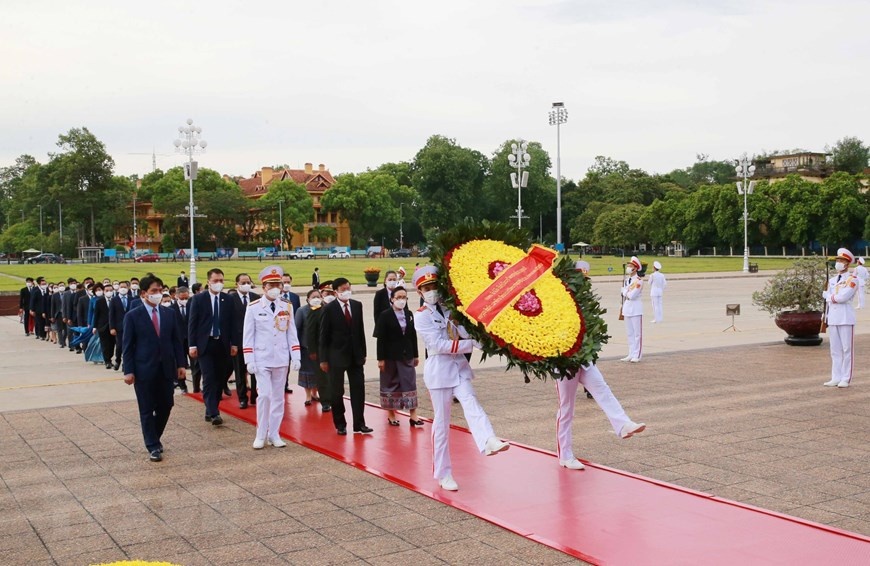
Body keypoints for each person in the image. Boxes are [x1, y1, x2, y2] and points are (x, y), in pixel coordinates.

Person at [413, 266, 509, 491]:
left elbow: (465, 330)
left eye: (434, 286)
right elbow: (437, 345)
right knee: (442, 423)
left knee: (471, 401)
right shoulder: (421, 316)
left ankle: (488, 439)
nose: (432, 291)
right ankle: (443, 473)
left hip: (459, 368)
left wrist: (480, 337)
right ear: (419, 292)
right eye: (426, 288)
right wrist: (471, 344)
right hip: (439, 371)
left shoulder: (449, 309)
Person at [554, 262, 645, 470]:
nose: (584, 283)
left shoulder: (584, 303)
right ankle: (565, 454)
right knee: (566, 409)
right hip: (564, 363)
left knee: (602, 388)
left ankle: (622, 424)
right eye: (580, 279)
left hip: (583, 359)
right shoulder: (557, 302)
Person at [123, 273, 188, 462]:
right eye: (154, 291)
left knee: (166, 405)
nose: (158, 294)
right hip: (144, 369)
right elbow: (127, 346)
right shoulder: (133, 316)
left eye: (160, 290)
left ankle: (155, 437)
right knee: (146, 408)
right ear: (144, 293)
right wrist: (129, 371)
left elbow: (177, 341)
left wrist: (181, 364)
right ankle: (152, 445)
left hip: (166, 368)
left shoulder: (169, 313)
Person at [243, 265, 301, 449]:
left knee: (278, 398)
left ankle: (274, 433)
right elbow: (248, 336)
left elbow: (292, 333)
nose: (276, 287)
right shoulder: (253, 308)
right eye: (272, 284)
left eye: (278, 284)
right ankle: (261, 433)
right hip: (261, 358)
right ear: (264, 287)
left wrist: (296, 356)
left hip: (281, 357)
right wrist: (249, 360)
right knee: (265, 395)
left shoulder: (287, 306)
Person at [319, 277, 370, 435]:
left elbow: (360, 330)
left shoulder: (356, 305)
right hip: (336, 357)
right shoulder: (329, 309)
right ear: (336, 292)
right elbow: (323, 336)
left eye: (348, 288)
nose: (347, 291)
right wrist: (323, 359)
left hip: (355, 356)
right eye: (343, 289)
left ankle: (359, 424)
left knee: (358, 390)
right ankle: (340, 424)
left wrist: (363, 353)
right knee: (337, 392)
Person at [188, 268, 238, 426]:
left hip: (222, 344)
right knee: (209, 378)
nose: (219, 283)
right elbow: (193, 324)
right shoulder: (199, 299)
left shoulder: (228, 300)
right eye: (216, 281)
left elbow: (233, 324)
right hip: (205, 344)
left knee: (220, 379)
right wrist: (192, 345)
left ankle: (211, 408)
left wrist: (234, 343)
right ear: (208, 281)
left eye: (221, 281)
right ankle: (214, 412)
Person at [375, 286, 421, 427]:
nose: (401, 300)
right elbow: (380, 339)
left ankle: (413, 415)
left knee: (409, 382)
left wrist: (415, 354)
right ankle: (391, 414)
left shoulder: (409, 314)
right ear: (392, 299)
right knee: (390, 384)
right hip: (390, 355)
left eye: (404, 297)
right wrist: (380, 359)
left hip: (406, 354)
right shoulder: (385, 315)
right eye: (398, 297)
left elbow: (412, 335)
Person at [823, 248, 859, 388]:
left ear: (847, 263)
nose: (838, 263)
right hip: (833, 317)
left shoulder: (852, 280)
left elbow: (843, 297)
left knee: (847, 349)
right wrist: (825, 315)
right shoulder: (832, 280)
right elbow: (830, 301)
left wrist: (828, 297)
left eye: (841, 261)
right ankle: (835, 377)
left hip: (845, 318)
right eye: (837, 260)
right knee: (835, 350)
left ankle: (846, 377)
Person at [229, 273, 259, 409]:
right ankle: (242, 398)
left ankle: (254, 394)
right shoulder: (230, 299)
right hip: (238, 341)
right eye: (243, 282)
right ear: (237, 284)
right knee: (240, 371)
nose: (246, 284)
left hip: (255, 341)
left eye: (248, 281)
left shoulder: (256, 297)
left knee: (255, 370)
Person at [305, 281, 335, 413]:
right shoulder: (316, 311)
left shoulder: (336, 308)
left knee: (334, 375)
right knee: (322, 376)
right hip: (320, 349)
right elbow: (310, 332)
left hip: (335, 349)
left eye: (331, 293)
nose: (329, 295)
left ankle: (335, 398)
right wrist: (311, 350)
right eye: (327, 293)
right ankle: (325, 401)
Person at [296, 289, 323, 406]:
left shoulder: (324, 309)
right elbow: (297, 328)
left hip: (321, 347)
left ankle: (315, 393)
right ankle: (308, 396)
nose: (316, 299)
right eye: (313, 297)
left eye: (318, 296)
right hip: (306, 347)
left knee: (318, 372)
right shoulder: (302, 311)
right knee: (307, 372)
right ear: (308, 299)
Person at [169, 287, 193, 393]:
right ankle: (182, 385)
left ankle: (196, 386)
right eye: (182, 298)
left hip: (191, 339)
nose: (184, 300)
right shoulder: (171, 309)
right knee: (180, 363)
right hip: (178, 340)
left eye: (186, 298)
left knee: (195, 363)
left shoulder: (192, 306)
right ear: (176, 296)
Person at [621, 256, 644, 363]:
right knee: (629, 333)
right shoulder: (627, 280)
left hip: (635, 308)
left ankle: (637, 354)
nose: (628, 267)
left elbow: (632, 295)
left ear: (635, 268)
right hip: (627, 308)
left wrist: (624, 292)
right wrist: (625, 292)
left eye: (630, 266)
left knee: (637, 334)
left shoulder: (639, 281)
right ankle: (630, 353)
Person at [108, 281, 132, 370]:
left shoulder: (131, 299)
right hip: (119, 327)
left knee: (128, 346)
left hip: (129, 326)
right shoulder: (114, 300)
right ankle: (118, 360)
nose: (123, 289)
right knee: (119, 346)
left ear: (128, 288)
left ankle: (125, 364)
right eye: (121, 287)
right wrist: (112, 327)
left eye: (125, 287)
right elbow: (111, 315)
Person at [93, 283, 115, 370]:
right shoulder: (99, 301)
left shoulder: (115, 300)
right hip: (102, 326)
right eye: (107, 291)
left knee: (112, 344)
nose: (109, 292)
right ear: (104, 292)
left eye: (110, 290)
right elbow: (96, 315)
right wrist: (94, 327)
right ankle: (107, 361)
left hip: (113, 326)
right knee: (105, 344)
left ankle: (110, 357)